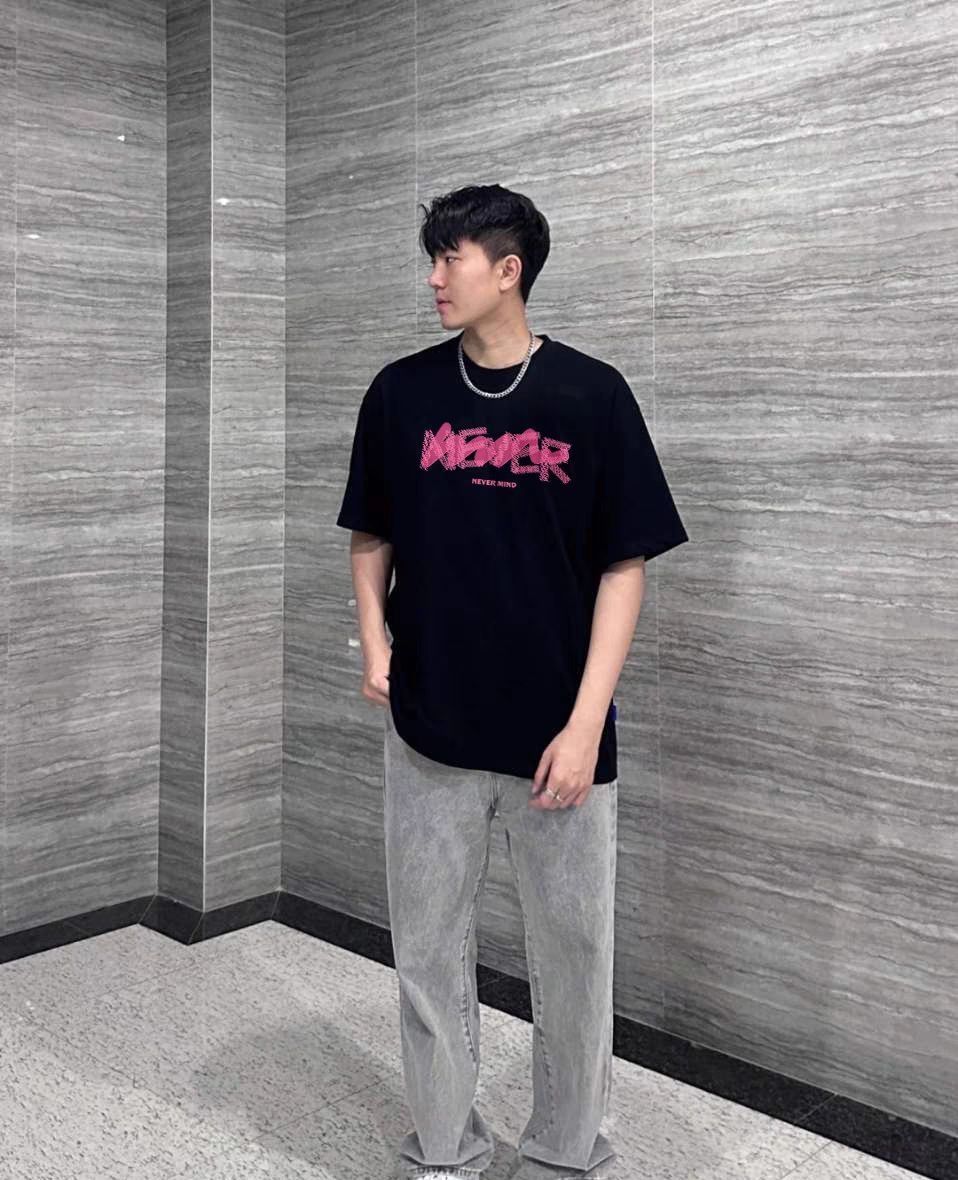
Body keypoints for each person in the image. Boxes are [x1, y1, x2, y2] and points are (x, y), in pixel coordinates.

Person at [336, 184, 689, 1180]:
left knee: (574, 960)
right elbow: (370, 532)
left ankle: (566, 1154)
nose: (434, 278)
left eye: (450, 257)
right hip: (431, 726)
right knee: (427, 955)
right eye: (432, 257)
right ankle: (444, 1150)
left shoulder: (591, 395)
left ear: (508, 269)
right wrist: (374, 642)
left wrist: (585, 724)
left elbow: (625, 565)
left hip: (557, 739)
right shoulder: (401, 394)